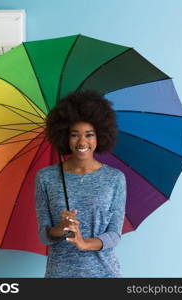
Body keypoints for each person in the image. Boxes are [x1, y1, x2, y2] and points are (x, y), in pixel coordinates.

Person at [34, 90, 127, 278]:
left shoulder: (115, 178)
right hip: (60, 275)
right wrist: (60, 229)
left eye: (89, 135)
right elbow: (44, 235)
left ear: (99, 136)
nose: (82, 141)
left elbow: (115, 234)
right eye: (75, 135)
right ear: (65, 137)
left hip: (104, 274)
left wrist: (85, 243)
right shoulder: (46, 177)